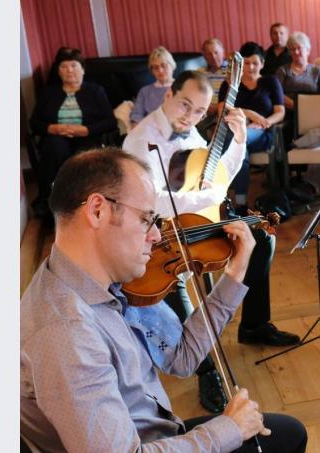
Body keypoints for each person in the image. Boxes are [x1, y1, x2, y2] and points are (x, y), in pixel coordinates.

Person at [20, 148, 307, 452]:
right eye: (146, 219)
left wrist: (235, 273)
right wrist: (228, 429)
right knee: (288, 438)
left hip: (161, 432)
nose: (157, 235)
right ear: (97, 211)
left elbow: (182, 357)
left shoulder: (111, 282)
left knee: (285, 432)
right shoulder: (65, 332)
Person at [123, 70, 298, 414]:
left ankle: (253, 324)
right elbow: (150, 201)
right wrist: (206, 197)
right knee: (173, 284)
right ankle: (205, 368)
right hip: (160, 236)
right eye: (185, 105)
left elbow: (216, 176)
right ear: (168, 95)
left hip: (199, 222)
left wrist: (241, 140)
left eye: (200, 112)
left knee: (260, 238)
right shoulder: (139, 140)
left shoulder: (192, 137)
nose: (190, 116)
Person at [29, 47, 117, 218]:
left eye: (74, 66)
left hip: (87, 137)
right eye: (64, 66)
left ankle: (85, 203)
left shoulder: (95, 90)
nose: (69, 70)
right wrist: (51, 128)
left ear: (82, 69)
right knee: (54, 147)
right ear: (58, 71)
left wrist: (86, 130)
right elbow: (34, 123)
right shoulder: (49, 93)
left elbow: (110, 121)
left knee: (84, 155)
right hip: (56, 138)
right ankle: (53, 202)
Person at [216, 42, 286, 212]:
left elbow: (280, 112)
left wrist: (265, 122)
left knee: (238, 141)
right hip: (236, 132)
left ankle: (228, 198)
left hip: (263, 132)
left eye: (255, 63)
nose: (251, 67)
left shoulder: (271, 81)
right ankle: (240, 203)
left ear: (262, 63)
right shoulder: (230, 85)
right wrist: (249, 113)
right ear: (240, 65)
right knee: (241, 148)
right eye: (246, 63)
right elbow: (221, 112)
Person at [276, 31, 320, 110]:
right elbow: (277, 94)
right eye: (292, 49)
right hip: (290, 112)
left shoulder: (317, 71)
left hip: (315, 110)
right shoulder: (282, 70)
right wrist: (298, 107)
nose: (296, 52)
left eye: (299, 48)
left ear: (308, 50)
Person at [130, 46, 176, 127]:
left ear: (172, 65)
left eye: (163, 65)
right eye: (155, 67)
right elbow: (136, 116)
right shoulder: (144, 91)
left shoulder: (182, 87)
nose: (160, 70)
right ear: (152, 71)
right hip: (149, 130)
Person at [197, 38, 228, 136]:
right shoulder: (200, 73)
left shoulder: (232, 70)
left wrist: (218, 107)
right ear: (204, 56)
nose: (213, 57)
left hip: (226, 109)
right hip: (206, 111)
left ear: (222, 52)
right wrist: (205, 107)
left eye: (216, 52)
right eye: (209, 54)